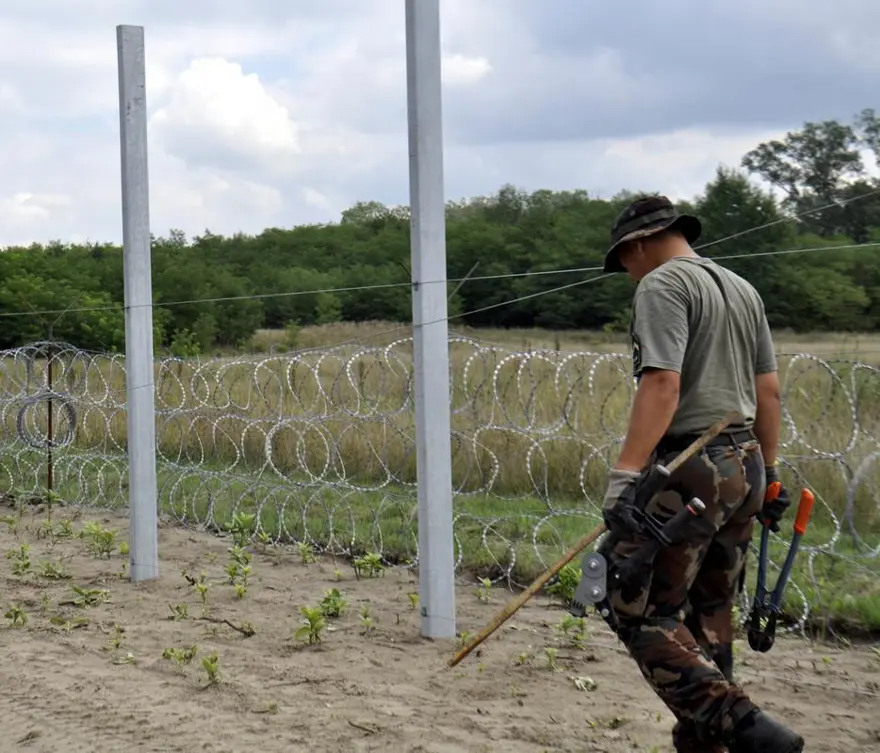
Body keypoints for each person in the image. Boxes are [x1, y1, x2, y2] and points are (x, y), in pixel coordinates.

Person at [597, 195, 805, 752]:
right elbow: (768, 391)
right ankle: (707, 741)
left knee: (636, 606)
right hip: (746, 461)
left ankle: (749, 729)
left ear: (637, 244)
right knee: (708, 610)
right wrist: (772, 473)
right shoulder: (741, 288)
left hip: (693, 464)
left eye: (624, 261)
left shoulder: (662, 285)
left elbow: (661, 383)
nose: (627, 272)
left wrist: (625, 478)